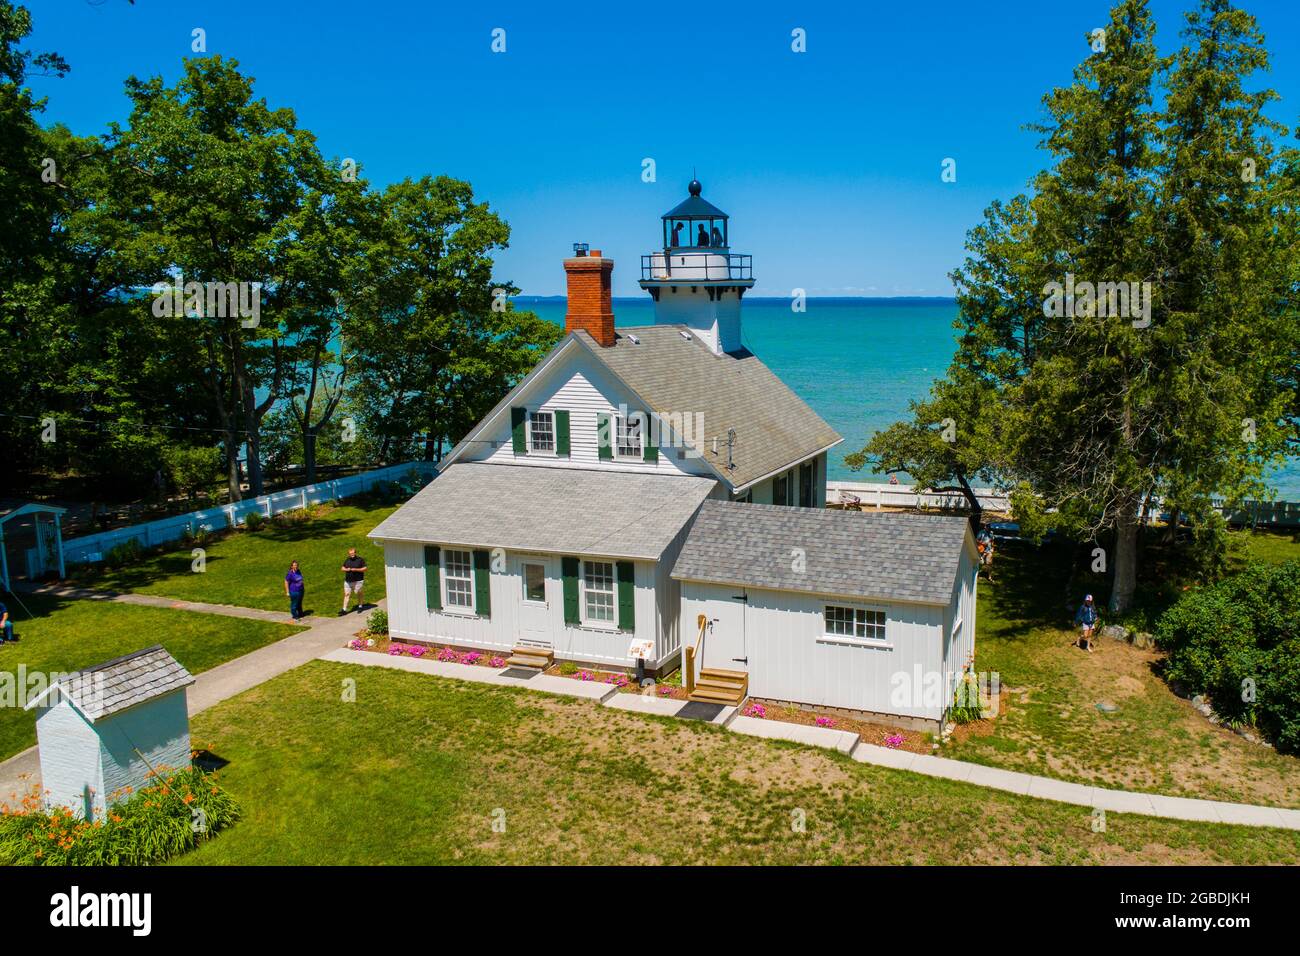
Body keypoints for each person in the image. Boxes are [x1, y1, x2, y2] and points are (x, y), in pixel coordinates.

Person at [340, 548, 368, 615]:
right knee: (347, 594)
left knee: (358, 593)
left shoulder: (360, 560)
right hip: (348, 581)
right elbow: (342, 568)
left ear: (355, 553)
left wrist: (356, 569)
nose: (351, 555)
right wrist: (347, 569)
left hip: (358, 581)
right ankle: (344, 609)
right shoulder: (347, 560)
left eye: (352, 553)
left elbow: (365, 568)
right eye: (350, 554)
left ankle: (360, 606)